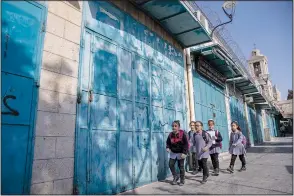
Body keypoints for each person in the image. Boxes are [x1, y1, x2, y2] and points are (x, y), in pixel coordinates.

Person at [166, 120, 188, 186]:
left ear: (179, 127)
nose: (174, 127)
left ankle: (182, 179)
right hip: (173, 152)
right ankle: (175, 177)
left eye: (175, 126)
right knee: (170, 164)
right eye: (173, 126)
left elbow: (186, 144)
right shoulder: (170, 135)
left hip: (181, 153)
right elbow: (168, 142)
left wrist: (184, 152)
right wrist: (167, 147)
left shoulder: (183, 134)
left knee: (181, 166)